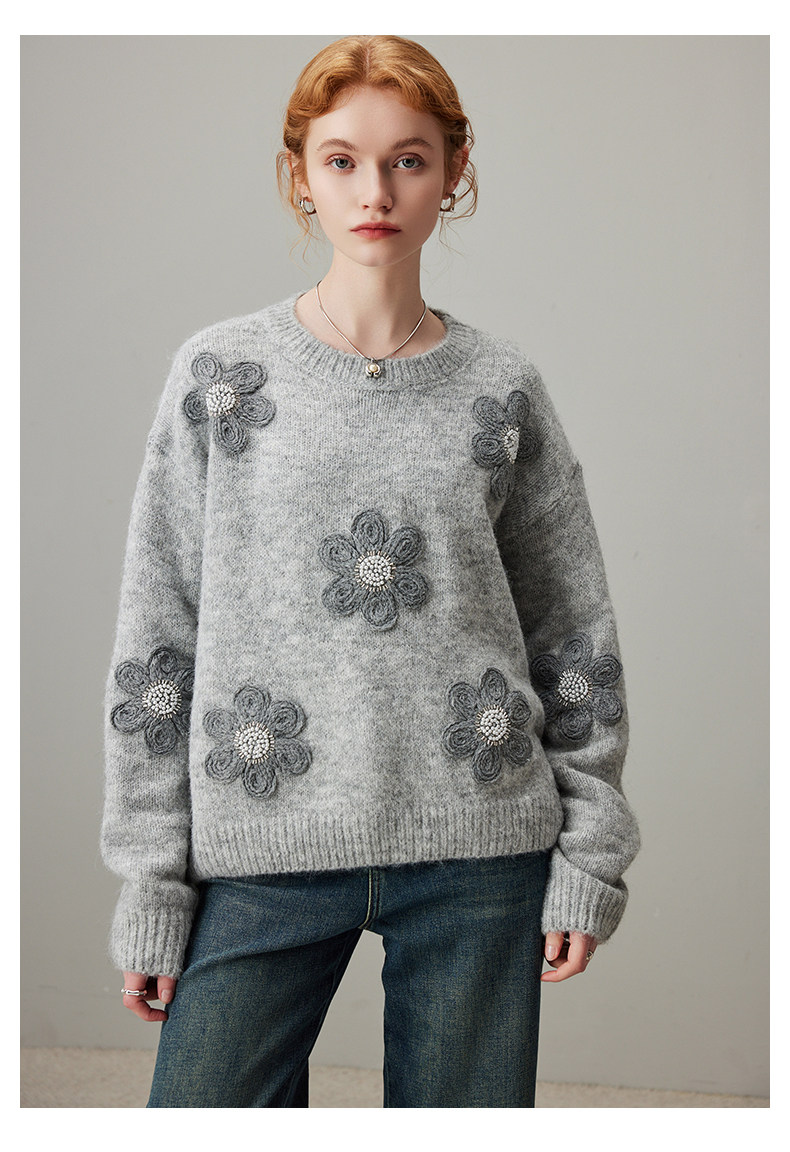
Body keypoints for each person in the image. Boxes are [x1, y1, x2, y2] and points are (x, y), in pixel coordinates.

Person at [101, 34, 640, 1109]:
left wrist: (591, 849)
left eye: (408, 160)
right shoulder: (221, 376)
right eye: (342, 160)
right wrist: (152, 881)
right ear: (298, 174)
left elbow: (572, 633)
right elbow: (158, 638)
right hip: (261, 836)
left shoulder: (501, 388)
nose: (375, 192)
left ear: (453, 172)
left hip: (480, 846)